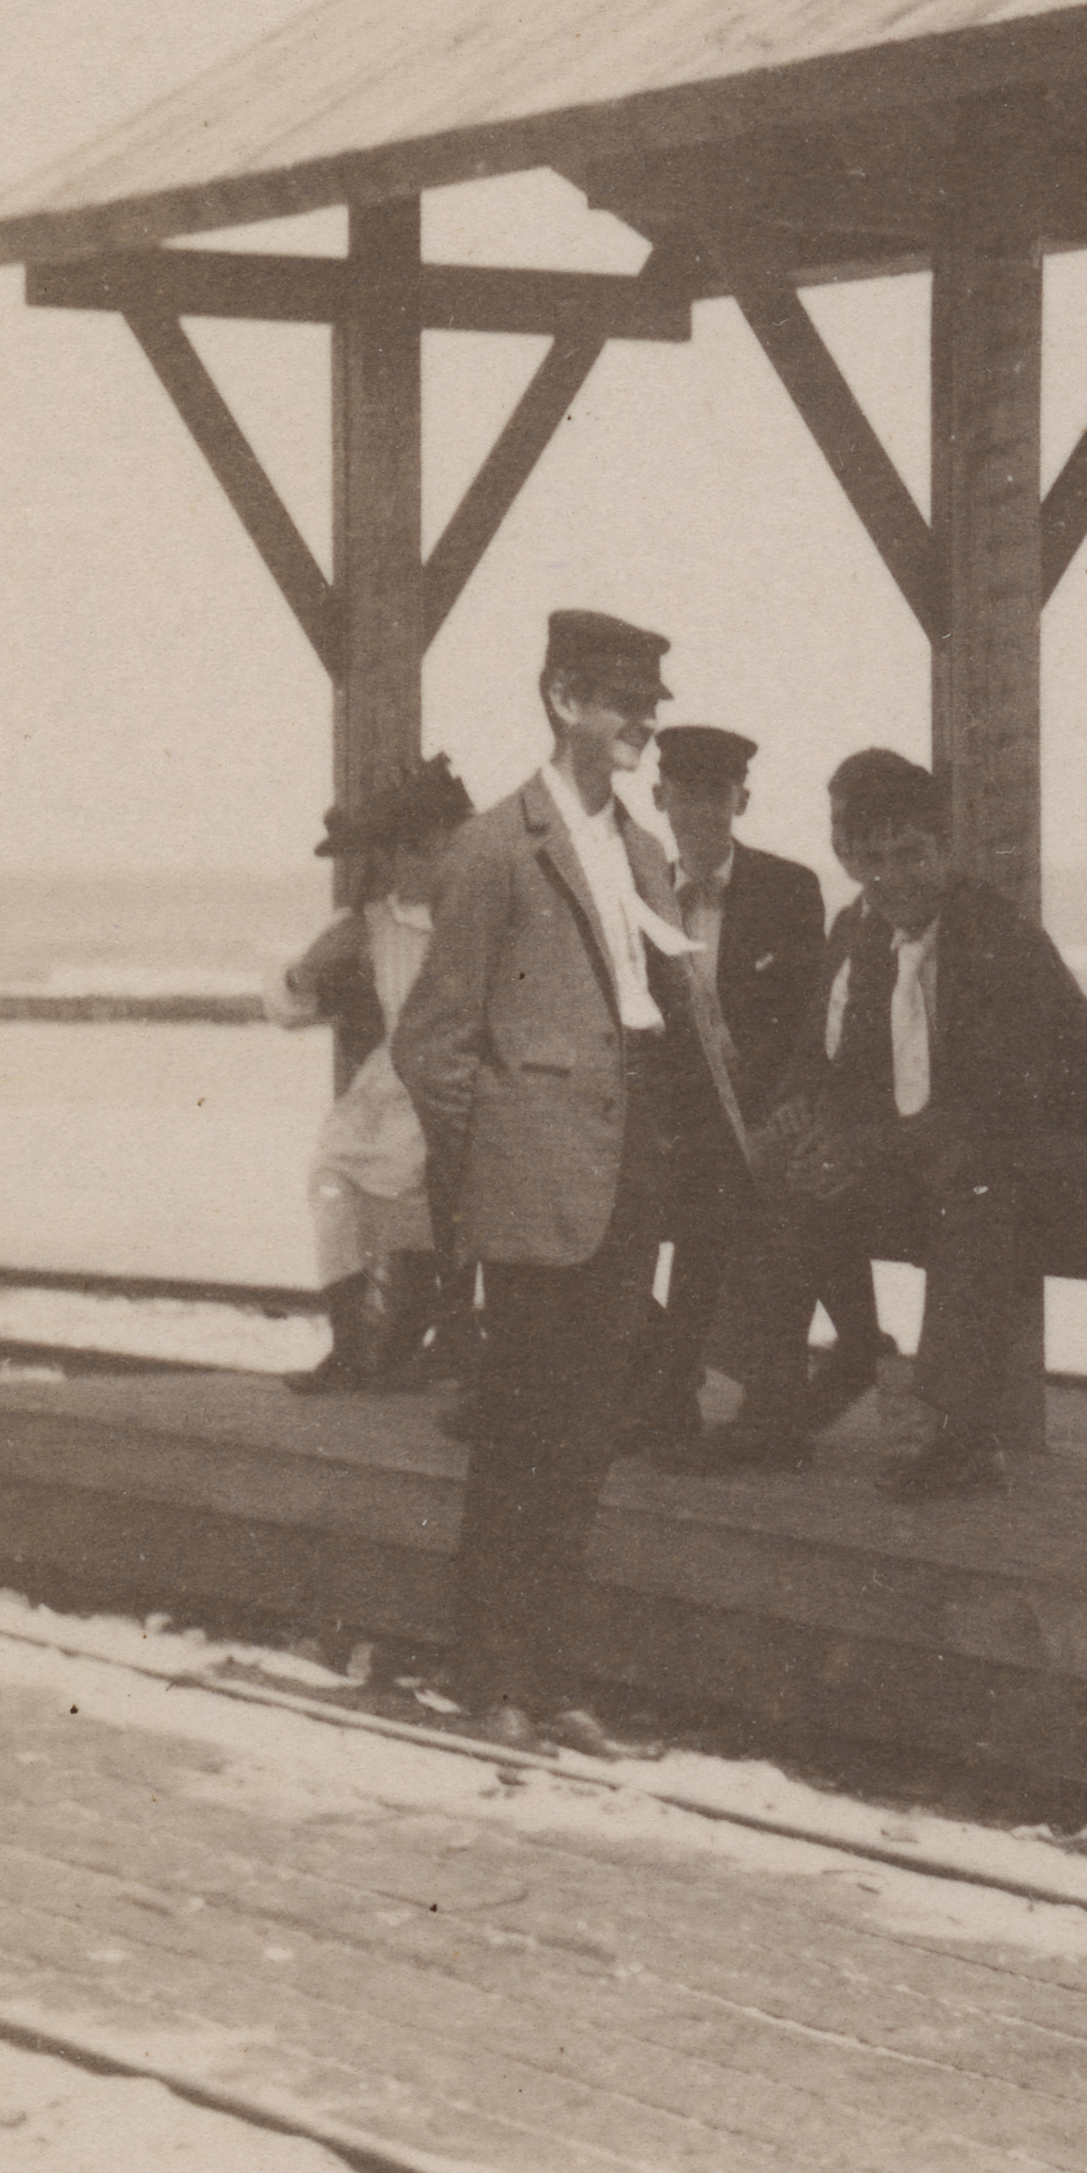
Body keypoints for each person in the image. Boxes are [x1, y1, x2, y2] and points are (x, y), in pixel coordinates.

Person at [389, 607, 704, 1711]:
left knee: (583, 1447)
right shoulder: (493, 847)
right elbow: (432, 1043)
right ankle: (493, 1683)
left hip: (627, 1183)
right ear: (565, 699)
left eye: (653, 702)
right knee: (521, 1444)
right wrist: (501, 1164)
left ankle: (551, 1681)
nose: (645, 722)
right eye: (625, 699)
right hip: (539, 1194)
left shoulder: (646, 850)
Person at [690, 749, 1087, 1503]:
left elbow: (993, 1107)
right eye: (872, 860)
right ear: (847, 857)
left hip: (1074, 1147)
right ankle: (770, 1411)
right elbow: (822, 1056)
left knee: (971, 1187)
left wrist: (862, 1149)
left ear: (946, 848)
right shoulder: (858, 930)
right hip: (944, 1143)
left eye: (912, 855)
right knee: (792, 1176)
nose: (894, 878)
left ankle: (960, 1434)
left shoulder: (994, 938)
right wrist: (797, 1118)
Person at [614, 723, 852, 1453]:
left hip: (755, 1110)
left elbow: (804, 1027)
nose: (700, 813)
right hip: (665, 1111)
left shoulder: (787, 888)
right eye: (684, 796)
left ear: (740, 801)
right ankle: (657, 1373)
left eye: (716, 797)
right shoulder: (634, 890)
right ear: (658, 798)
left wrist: (766, 1112)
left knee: (717, 1189)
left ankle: (674, 1386)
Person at [270, 754, 471, 1391]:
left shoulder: (476, 922)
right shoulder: (369, 924)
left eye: (427, 850)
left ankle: (422, 1339)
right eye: (402, 852)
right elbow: (285, 1007)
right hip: (388, 1087)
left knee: (420, 1194)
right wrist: (306, 971)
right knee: (331, 1181)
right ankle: (350, 1345)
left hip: (455, 1084)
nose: (413, 865)